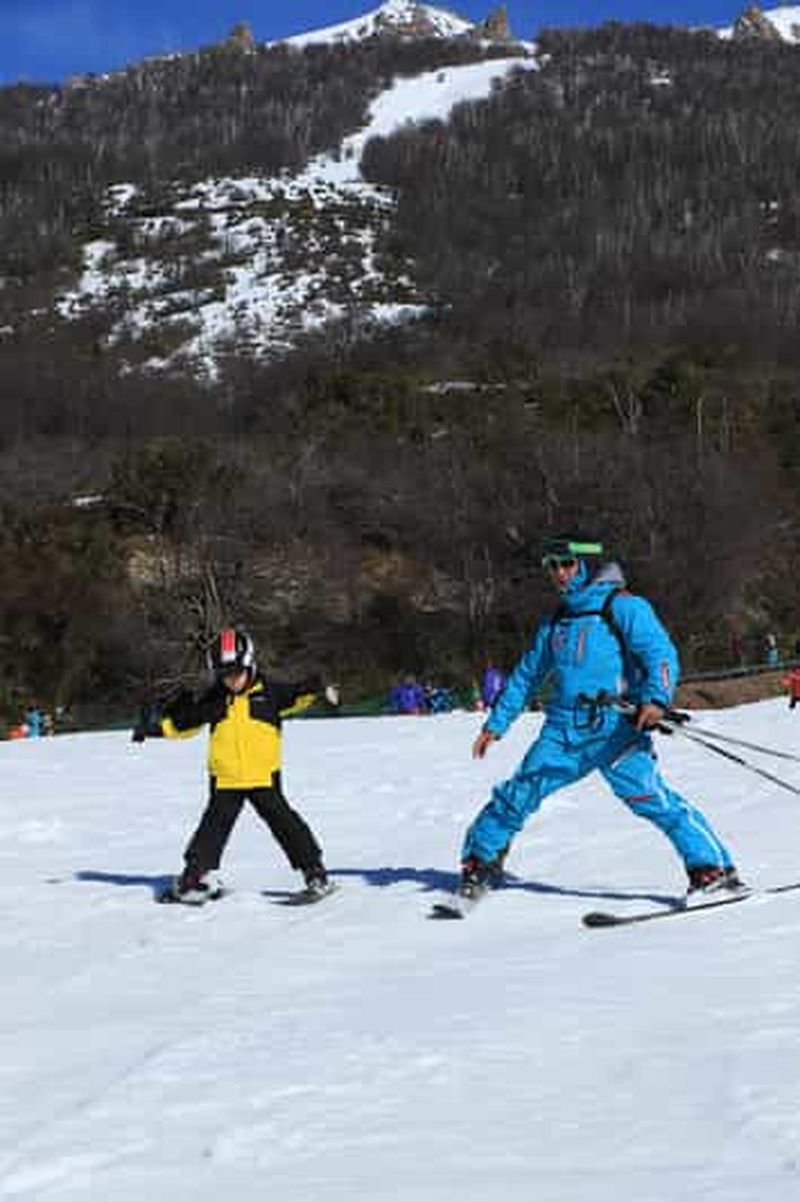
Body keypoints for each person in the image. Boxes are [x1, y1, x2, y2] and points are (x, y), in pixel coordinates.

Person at [459, 534, 743, 902]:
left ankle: (712, 870)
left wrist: (656, 699)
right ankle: (480, 862)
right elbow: (528, 675)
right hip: (564, 730)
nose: (560, 573)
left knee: (649, 796)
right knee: (521, 791)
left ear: (585, 564)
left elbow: (660, 654)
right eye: (553, 566)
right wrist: (495, 725)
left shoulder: (624, 606)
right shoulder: (557, 621)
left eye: (567, 564)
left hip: (617, 727)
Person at [133, 627, 336, 905]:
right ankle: (194, 877)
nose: (232, 680)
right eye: (225, 675)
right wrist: (156, 729)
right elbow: (186, 723)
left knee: (285, 823)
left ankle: (314, 872)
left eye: (237, 673)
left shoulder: (270, 693)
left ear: (250, 665)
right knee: (212, 828)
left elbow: (298, 694)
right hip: (226, 777)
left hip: (263, 775)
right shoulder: (215, 698)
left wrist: (319, 687)